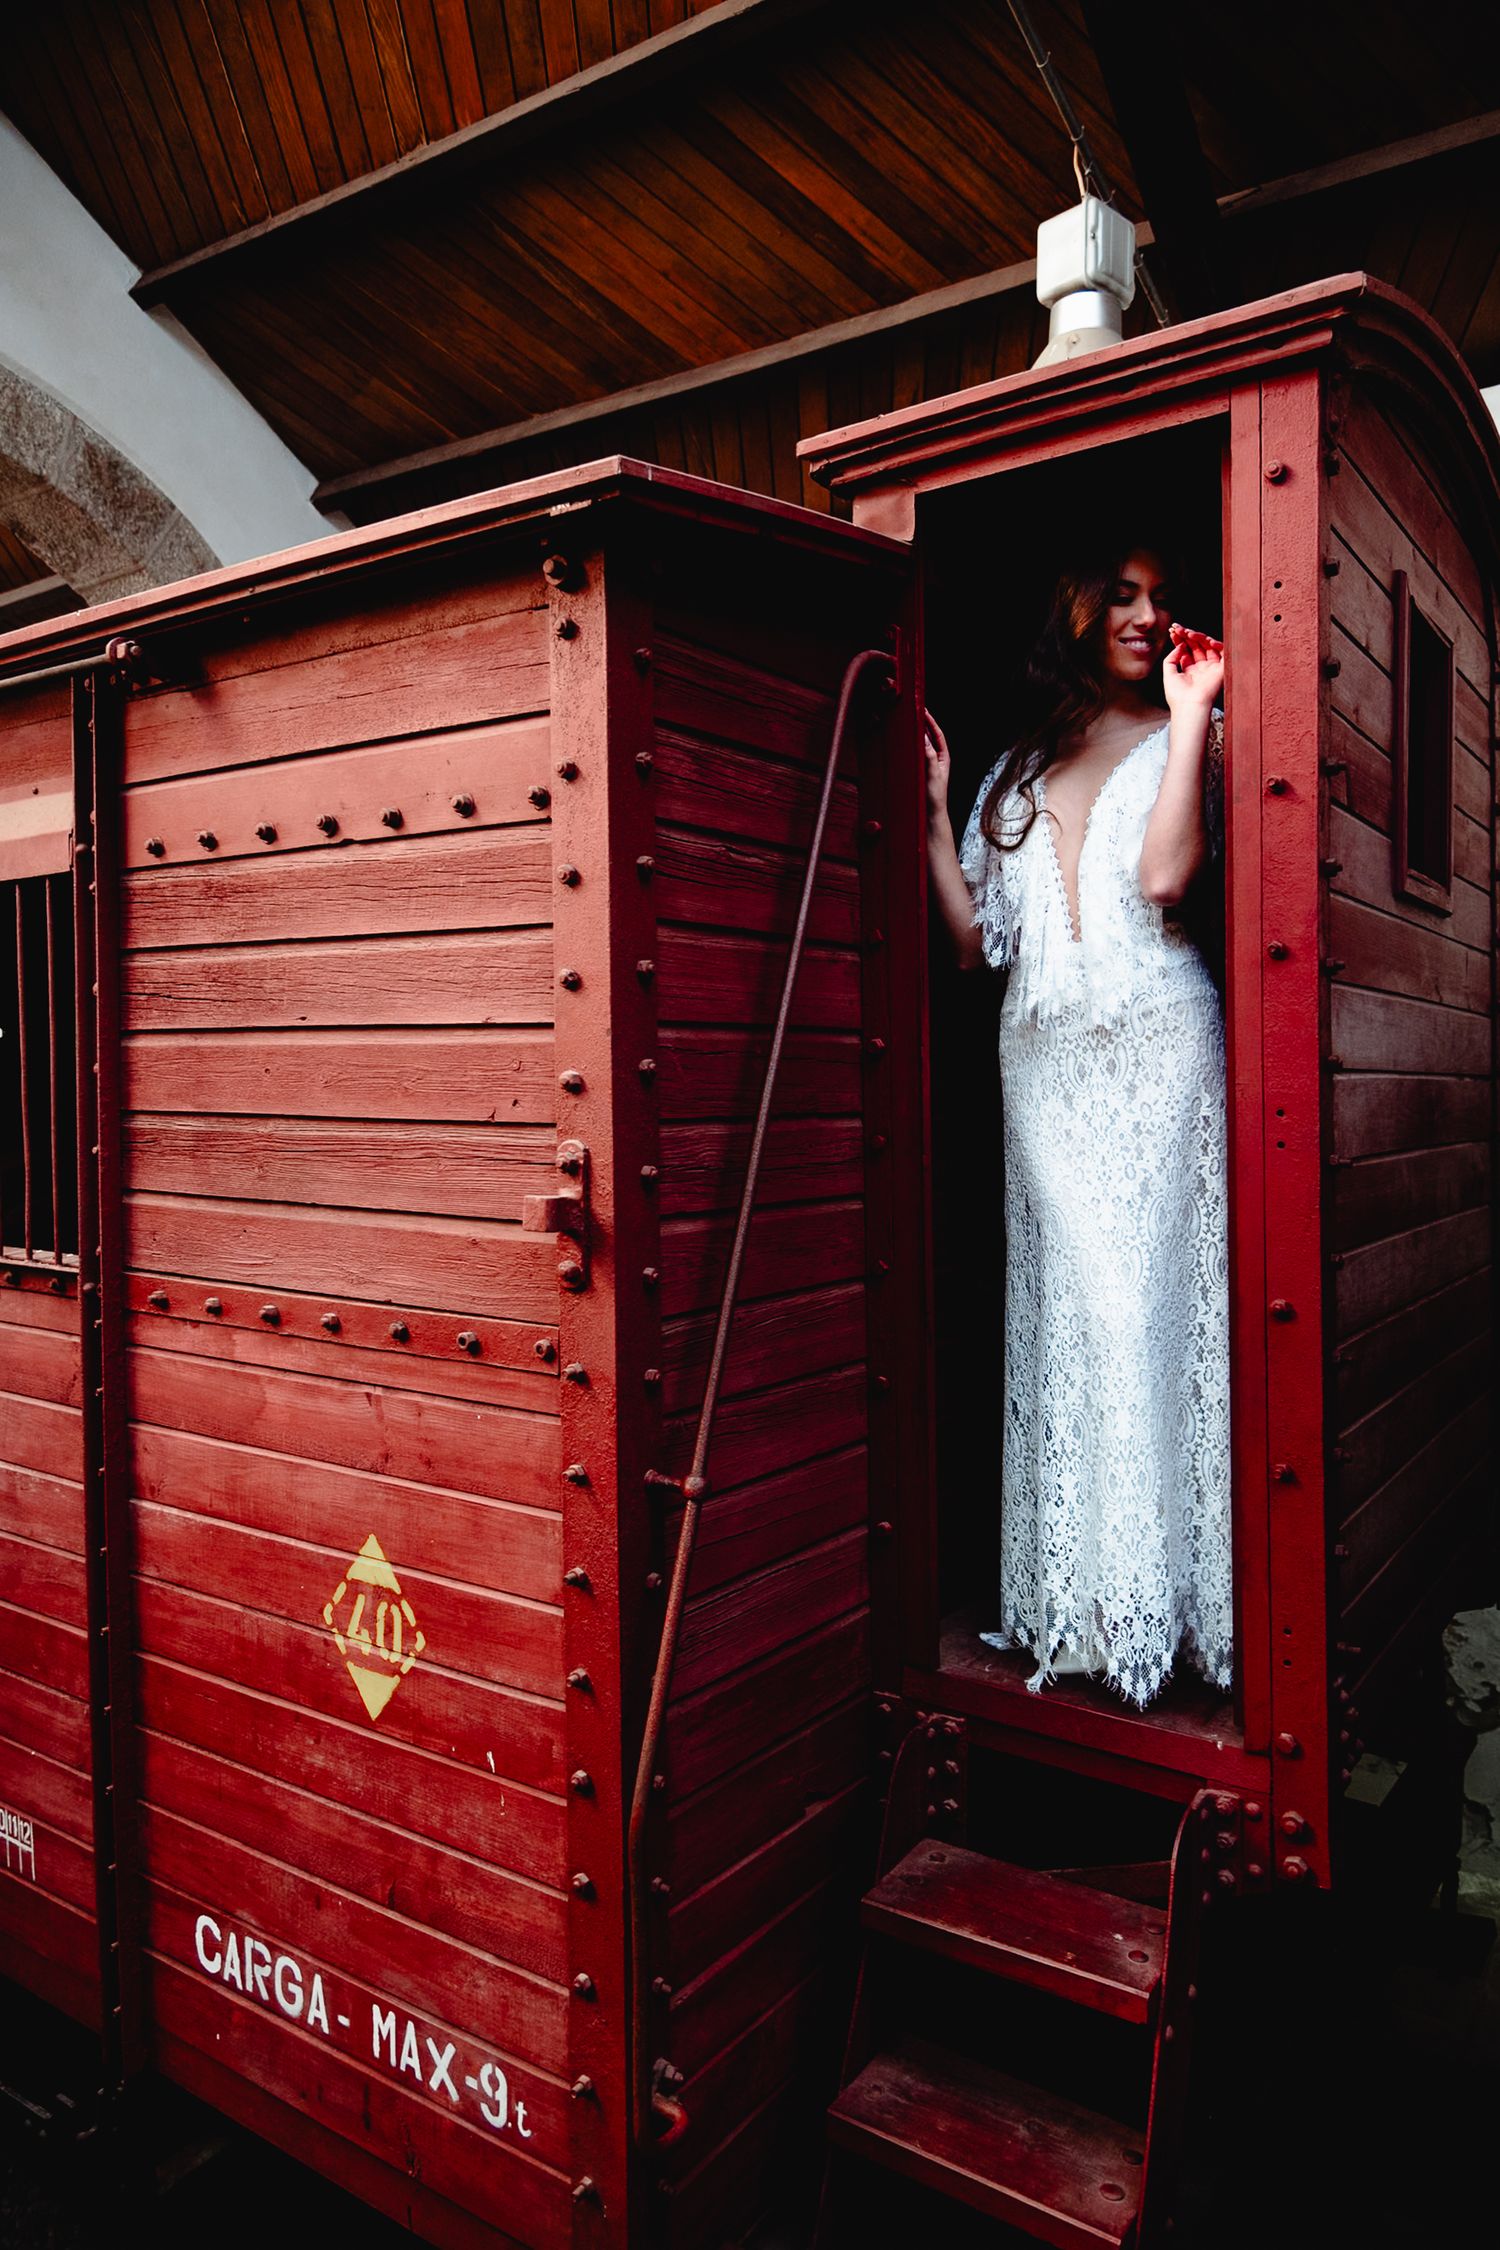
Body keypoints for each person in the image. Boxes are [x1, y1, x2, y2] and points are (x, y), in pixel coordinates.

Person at [924, 542, 1232, 1710]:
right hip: (1043, 1062)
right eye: (1126, 597)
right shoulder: (1012, 771)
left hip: (1158, 1042)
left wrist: (1195, 709)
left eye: (1160, 600)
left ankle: (1166, 1605)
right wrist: (933, 809)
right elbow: (971, 947)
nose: (1150, 616)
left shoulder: (1176, 731)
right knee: (1077, 1315)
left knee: (1142, 1307)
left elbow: (1165, 879)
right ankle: (1093, 1605)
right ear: (1077, 610)